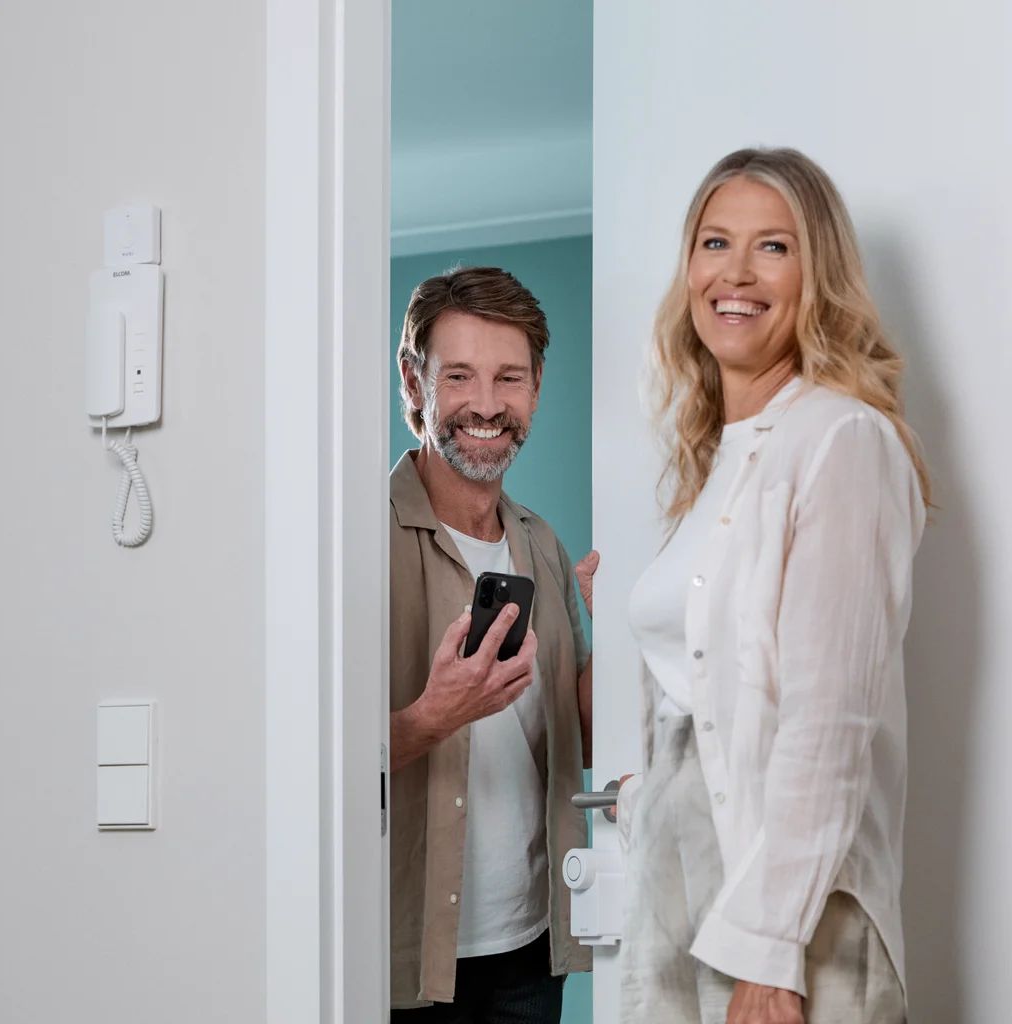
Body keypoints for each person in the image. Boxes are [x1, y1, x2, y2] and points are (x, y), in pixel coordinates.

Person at [578, 148, 929, 1023]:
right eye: (713, 241)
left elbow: (829, 721)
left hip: (786, 916)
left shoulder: (841, 441)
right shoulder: (711, 465)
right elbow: (707, 699)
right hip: (680, 891)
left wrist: (771, 958)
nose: (734, 273)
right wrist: (644, 798)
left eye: (773, 246)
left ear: (820, 274)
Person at [389, 266, 593, 1022]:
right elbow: (308, 767)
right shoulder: (356, 541)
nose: (485, 405)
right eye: (460, 376)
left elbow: (586, 736)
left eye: (509, 377)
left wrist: (627, 639)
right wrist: (432, 716)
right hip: (403, 962)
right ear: (414, 384)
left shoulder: (541, 544)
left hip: (533, 950)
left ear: (536, 389)